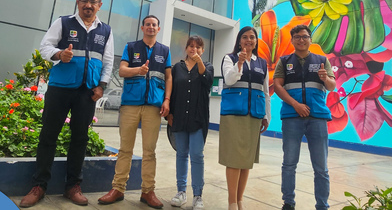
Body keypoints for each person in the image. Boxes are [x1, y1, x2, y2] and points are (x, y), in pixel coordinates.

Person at [20, 0, 114, 207]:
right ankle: (39, 186)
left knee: (80, 139)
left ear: (99, 5)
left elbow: (108, 62)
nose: (88, 5)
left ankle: (73, 186)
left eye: (93, 2)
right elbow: (45, 47)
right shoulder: (63, 22)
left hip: (87, 92)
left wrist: (101, 87)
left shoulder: (106, 31)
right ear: (78, 2)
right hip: (60, 88)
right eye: (84, 1)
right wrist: (59, 54)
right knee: (48, 136)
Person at [98, 15, 172, 209]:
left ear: (158, 28)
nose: (150, 27)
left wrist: (167, 100)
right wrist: (138, 70)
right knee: (125, 149)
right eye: (147, 24)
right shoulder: (131, 47)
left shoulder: (164, 51)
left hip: (153, 107)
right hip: (130, 104)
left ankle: (148, 191)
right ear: (142, 27)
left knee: (149, 151)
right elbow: (122, 70)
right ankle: (118, 188)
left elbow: (168, 77)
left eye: (154, 25)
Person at [272, 24, 336, 210]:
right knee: (289, 164)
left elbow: (332, 86)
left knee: (321, 168)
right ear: (292, 40)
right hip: (292, 117)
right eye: (297, 37)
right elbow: (277, 86)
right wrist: (296, 105)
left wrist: (325, 78)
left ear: (310, 39)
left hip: (318, 118)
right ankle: (288, 202)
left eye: (305, 36)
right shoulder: (284, 61)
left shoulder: (322, 60)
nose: (301, 39)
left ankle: (322, 205)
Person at [219, 26, 271, 210]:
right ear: (239, 41)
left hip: (254, 115)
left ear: (256, 41)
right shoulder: (229, 58)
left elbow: (265, 91)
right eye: (245, 37)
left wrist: (266, 116)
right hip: (233, 114)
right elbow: (229, 80)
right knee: (234, 159)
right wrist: (239, 64)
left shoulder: (262, 63)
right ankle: (232, 202)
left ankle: (240, 200)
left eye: (252, 37)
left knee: (246, 160)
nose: (249, 40)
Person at [167, 36, 214, 210]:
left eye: (198, 47)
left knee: (197, 155)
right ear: (186, 48)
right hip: (178, 117)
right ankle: (181, 192)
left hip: (198, 119)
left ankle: (197, 195)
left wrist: (199, 61)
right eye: (191, 46)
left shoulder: (207, 66)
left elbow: (207, 81)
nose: (194, 49)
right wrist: (169, 114)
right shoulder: (176, 68)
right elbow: (171, 91)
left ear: (202, 50)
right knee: (181, 154)